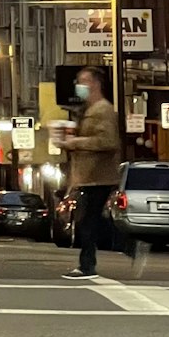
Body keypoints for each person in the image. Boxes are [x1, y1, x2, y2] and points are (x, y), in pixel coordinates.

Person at [61, 66, 121, 281]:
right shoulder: (89, 110)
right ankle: (132, 246)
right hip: (89, 176)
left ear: (95, 84)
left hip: (99, 176)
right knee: (92, 222)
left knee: (87, 221)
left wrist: (77, 142)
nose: (80, 86)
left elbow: (108, 142)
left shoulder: (103, 110)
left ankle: (87, 266)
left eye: (83, 81)